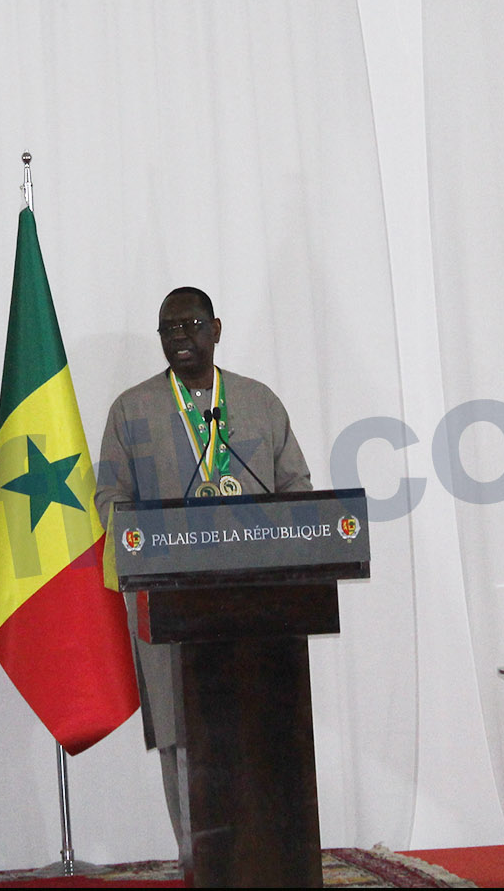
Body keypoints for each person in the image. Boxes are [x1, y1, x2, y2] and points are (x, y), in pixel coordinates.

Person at [92, 287, 311, 847]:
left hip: (255, 601)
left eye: (189, 324)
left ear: (217, 328)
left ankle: (264, 855)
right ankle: (198, 856)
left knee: (258, 729)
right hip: (170, 604)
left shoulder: (258, 401)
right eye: (167, 328)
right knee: (182, 736)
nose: (179, 337)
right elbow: (110, 498)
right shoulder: (132, 408)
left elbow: (297, 488)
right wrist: (156, 542)